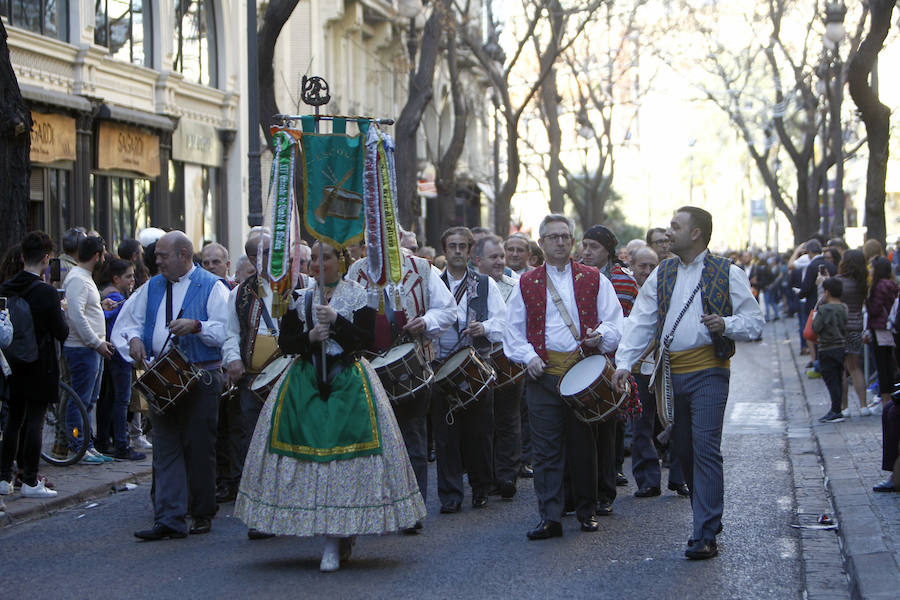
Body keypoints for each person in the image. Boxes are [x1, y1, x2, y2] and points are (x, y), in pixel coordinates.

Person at [234, 242, 426, 572]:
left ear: (340, 260)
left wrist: (336, 320)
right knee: (310, 457)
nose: (319, 264)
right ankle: (325, 530)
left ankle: (338, 536)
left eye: (327, 258)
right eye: (314, 259)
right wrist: (309, 337)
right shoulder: (300, 296)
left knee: (346, 457)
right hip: (305, 383)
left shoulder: (359, 294)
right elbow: (286, 343)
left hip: (348, 381)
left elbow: (367, 340)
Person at [613, 206, 764, 560]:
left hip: (710, 369)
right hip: (668, 374)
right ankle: (707, 510)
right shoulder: (662, 273)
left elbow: (754, 322)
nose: (668, 233)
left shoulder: (729, 271)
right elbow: (640, 321)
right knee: (683, 450)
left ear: (696, 233)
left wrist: (725, 325)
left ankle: (705, 531)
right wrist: (623, 362)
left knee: (705, 446)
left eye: (675, 227)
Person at [503, 214, 624, 540]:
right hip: (543, 378)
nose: (559, 242)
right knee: (546, 450)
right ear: (540, 244)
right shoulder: (526, 283)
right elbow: (511, 331)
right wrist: (528, 357)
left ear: (573, 241)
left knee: (584, 446)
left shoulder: (595, 278)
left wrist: (601, 336)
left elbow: (615, 323)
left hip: (582, 376)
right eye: (553, 237)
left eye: (565, 236)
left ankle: (586, 512)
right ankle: (550, 517)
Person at [112, 231, 230, 540]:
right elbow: (128, 323)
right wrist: (134, 340)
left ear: (183, 255)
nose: (157, 260)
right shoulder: (151, 286)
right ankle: (169, 517)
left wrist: (197, 325)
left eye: (163, 255)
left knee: (199, 446)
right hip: (163, 376)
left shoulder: (212, 286)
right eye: (157, 255)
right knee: (165, 448)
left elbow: (227, 331)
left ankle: (202, 512)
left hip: (201, 375)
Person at [345, 236, 455, 526]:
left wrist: (426, 322)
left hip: (412, 364)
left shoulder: (421, 268)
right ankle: (375, 505)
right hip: (366, 367)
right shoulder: (356, 271)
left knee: (413, 438)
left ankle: (413, 510)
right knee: (370, 439)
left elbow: (448, 310)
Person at [433, 228, 506, 512]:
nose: (458, 251)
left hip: (477, 364)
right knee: (445, 435)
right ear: (445, 250)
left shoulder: (485, 284)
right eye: (453, 246)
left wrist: (484, 327)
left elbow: (503, 323)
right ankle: (450, 495)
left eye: (463, 246)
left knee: (480, 432)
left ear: (471, 251)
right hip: (440, 367)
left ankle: (480, 487)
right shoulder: (432, 282)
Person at [221, 232, 290, 508]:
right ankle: (261, 504)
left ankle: (289, 499)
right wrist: (233, 359)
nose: (274, 257)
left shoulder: (298, 283)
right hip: (254, 378)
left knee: (290, 437)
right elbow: (230, 333)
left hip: (291, 375)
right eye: (265, 252)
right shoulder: (239, 292)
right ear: (252, 258)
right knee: (254, 440)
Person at [0, 232, 69, 498]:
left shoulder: (5, 287)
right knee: (35, 422)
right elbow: (61, 332)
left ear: (21, 256)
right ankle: (29, 480)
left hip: (12, 363)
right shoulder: (46, 293)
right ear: (46, 259)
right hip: (41, 364)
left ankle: (4, 478)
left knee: (14, 420)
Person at [580, 224, 638, 512]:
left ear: (608, 252)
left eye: (595, 247)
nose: (587, 252)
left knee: (607, 428)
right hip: (578, 363)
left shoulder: (624, 282)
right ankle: (578, 490)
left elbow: (630, 324)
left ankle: (605, 491)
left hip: (611, 364)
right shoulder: (574, 276)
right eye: (585, 245)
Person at [473, 234, 523, 496]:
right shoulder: (469, 286)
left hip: (508, 359)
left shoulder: (516, 287)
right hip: (478, 362)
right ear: (478, 260)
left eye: (502, 256)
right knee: (483, 422)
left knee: (508, 420)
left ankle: (507, 477)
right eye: (494, 257)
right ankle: (486, 475)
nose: (500, 261)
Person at [62, 235, 116, 464]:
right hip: (83, 348)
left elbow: (83, 309)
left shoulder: (83, 278)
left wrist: (100, 307)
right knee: (81, 400)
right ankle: (77, 444)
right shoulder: (78, 279)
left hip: (91, 347)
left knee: (89, 400)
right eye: (103, 254)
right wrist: (96, 342)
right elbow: (75, 314)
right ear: (97, 256)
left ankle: (86, 443)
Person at [95, 258, 145, 460]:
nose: (132, 280)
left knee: (110, 398)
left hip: (113, 352)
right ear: (116, 278)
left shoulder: (110, 294)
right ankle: (121, 444)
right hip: (120, 353)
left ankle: (104, 440)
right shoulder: (116, 297)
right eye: (129, 276)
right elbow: (106, 316)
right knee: (122, 399)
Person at [835, 250, 871, 416]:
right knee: (856, 367)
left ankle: (845, 407)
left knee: (841, 368)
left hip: (840, 327)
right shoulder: (862, 283)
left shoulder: (839, 282)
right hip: (856, 326)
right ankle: (863, 405)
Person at [864, 256, 898, 413]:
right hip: (892, 328)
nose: (870, 270)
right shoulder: (893, 284)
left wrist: (867, 300)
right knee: (891, 364)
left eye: (872, 268)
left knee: (883, 366)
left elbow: (875, 309)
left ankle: (886, 403)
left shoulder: (878, 287)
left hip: (880, 328)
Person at [814, 277, 848, 423]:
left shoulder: (824, 309)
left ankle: (835, 410)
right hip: (840, 346)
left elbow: (816, 327)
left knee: (831, 379)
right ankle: (838, 408)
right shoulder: (844, 307)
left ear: (826, 292)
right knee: (839, 377)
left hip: (826, 347)